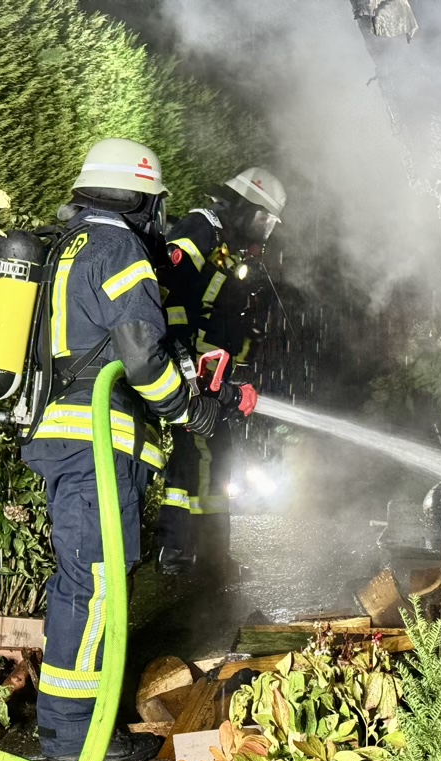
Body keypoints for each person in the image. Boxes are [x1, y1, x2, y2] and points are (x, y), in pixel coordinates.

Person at [21, 137, 236, 761]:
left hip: (66, 436)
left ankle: (74, 725)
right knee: (93, 584)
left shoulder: (69, 245)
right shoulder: (117, 247)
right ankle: (72, 737)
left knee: (85, 581)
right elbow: (141, 355)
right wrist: (187, 408)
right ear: (142, 199)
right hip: (95, 442)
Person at [155, 167, 286, 576]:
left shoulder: (227, 247)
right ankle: (185, 555)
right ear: (247, 208)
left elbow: (224, 318)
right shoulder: (199, 229)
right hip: (193, 370)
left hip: (211, 373)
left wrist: (236, 372)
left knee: (211, 456)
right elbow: (167, 292)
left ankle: (204, 554)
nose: (265, 232)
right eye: (264, 220)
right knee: (198, 456)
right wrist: (185, 361)